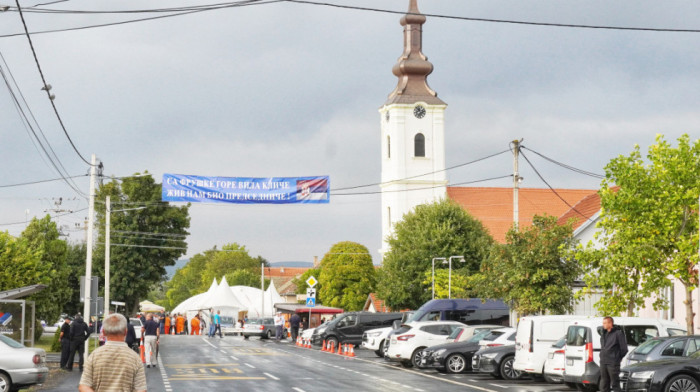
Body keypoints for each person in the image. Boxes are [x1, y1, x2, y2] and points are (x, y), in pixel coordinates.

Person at [78, 313, 146, 392]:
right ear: (125, 332)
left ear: (103, 332)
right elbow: (141, 390)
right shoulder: (135, 358)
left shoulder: (94, 355)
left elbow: (83, 386)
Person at [599, 316, 628, 392]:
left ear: (610, 323)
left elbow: (624, 349)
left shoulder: (618, 333)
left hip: (613, 363)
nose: (603, 325)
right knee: (604, 384)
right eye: (603, 323)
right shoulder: (604, 334)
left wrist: (618, 358)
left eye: (605, 323)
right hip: (603, 362)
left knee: (615, 384)